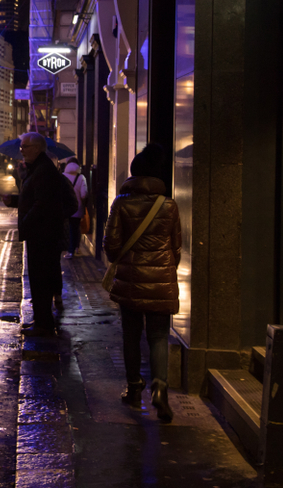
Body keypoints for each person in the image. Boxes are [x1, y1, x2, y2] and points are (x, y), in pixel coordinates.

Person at [103, 143, 182, 422]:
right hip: (161, 280)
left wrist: (123, 260)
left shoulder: (121, 203)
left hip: (131, 281)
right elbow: (176, 248)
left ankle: (134, 387)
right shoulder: (169, 205)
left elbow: (111, 244)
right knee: (159, 335)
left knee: (131, 334)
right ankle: (160, 386)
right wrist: (163, 268)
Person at [2, 132, 78, 336]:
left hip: (42, 235)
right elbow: (34, 198)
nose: (21, 150)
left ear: (37, 148)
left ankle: (44, 324)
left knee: (41, 280)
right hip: (40, 233)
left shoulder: (44, 170)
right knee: (38, 279)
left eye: (25, 146)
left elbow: (42, 203)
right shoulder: (37, 169)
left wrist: (27, 221)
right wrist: (15, 202)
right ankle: (41, 319)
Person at [62, 157, 88, 258]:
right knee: (75, 228)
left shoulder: (63, 176)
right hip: (77, 207)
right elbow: (84, 194)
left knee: (67, 229)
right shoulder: (81, 178)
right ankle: (76, 247)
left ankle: (70, 250)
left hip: (65, 207)